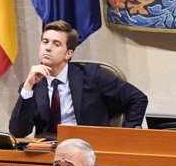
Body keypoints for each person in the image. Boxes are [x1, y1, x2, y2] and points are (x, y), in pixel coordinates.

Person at [9, 20, 148, 138]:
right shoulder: (34, 85)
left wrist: (124, 137)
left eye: (56, 44)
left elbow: (137, 99)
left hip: (87, 149)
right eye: (45, 42)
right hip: (48, 152)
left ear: (68, 53)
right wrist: (27, 87)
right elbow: (18, 132)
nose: (48, 48)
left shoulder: (92, 75)